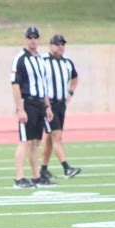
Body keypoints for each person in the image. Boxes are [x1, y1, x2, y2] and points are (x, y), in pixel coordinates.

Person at [11, 26, 56, 189]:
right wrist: (20, 108)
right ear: (25, 39)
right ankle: (19, 177)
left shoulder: (40, 59)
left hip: (39, 104)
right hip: (27, 102)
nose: (32, 40)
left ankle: (36, 176)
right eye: (30, 37)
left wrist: (48, 107)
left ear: (39, 39)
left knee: (36, 142)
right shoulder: (20, 59)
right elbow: (14, 85)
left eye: (35, 37)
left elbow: (43, 85)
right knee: (25, 140)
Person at [40, 34, 81, 179]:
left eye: (62, 44)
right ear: (50, 46)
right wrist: (45, 106)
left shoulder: (67, 62)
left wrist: (70, 93)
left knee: (50, 138)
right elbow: (38, 82)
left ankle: (43, 169)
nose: (60, 47)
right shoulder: (42, 61)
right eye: (57, 44)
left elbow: (75, 78)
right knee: (57, 135)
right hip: (48, 104)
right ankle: (66, 168)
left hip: (61, 105)